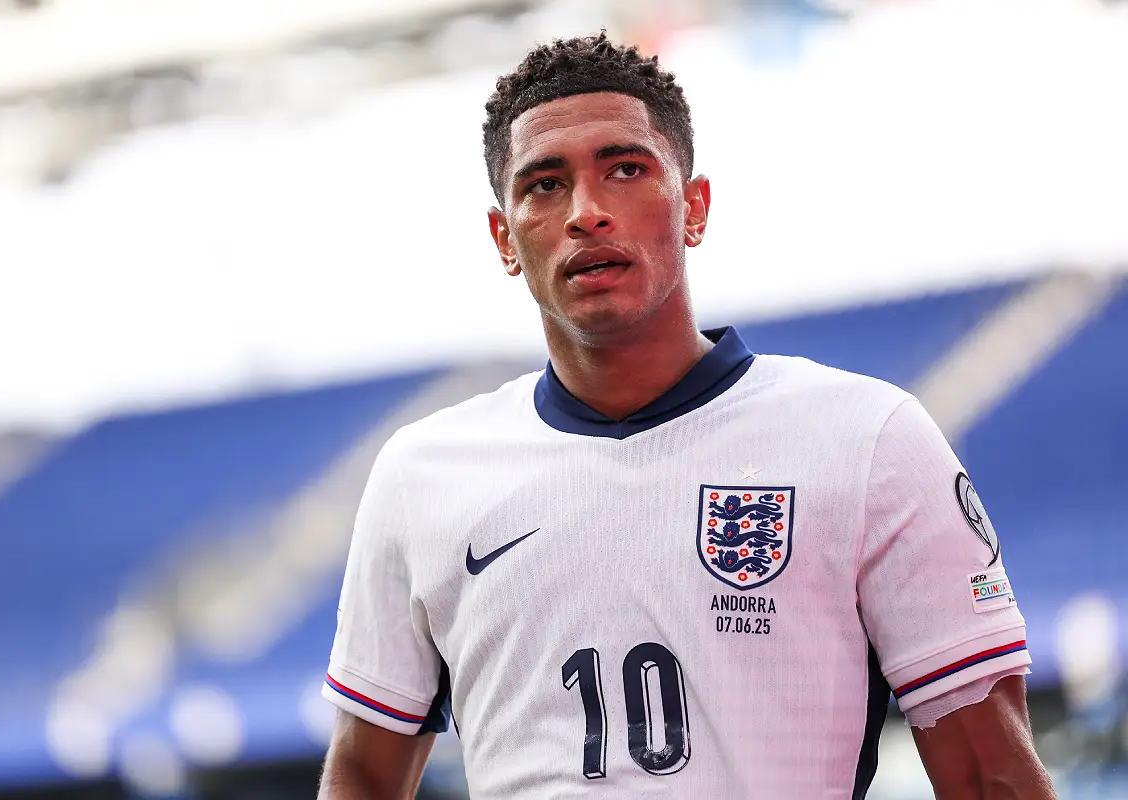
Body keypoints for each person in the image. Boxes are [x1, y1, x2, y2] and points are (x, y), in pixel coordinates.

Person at [317, 32, 1055, 799]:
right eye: (544, 185)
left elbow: (989, 773)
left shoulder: (866, 438)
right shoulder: (420, 476)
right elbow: (364, 775)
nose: (588, 213)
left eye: (626, 169)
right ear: (505, 239)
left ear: (693, 207)